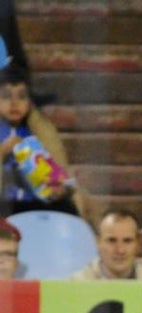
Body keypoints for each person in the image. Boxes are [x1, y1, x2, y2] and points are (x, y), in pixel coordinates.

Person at [0, 66, 84, 219]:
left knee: (68, 209)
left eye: (22, 97)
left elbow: (57, 168)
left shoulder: (40, 131)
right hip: (4, 205)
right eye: (6, 96)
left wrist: (60, 188)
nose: (14, 103)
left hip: (38, 204)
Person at [69, 209, 142, 281]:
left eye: (127, 241)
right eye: (112, 241)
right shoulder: (75, 284)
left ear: (138, 243)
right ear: (98, 242)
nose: (120, 250)